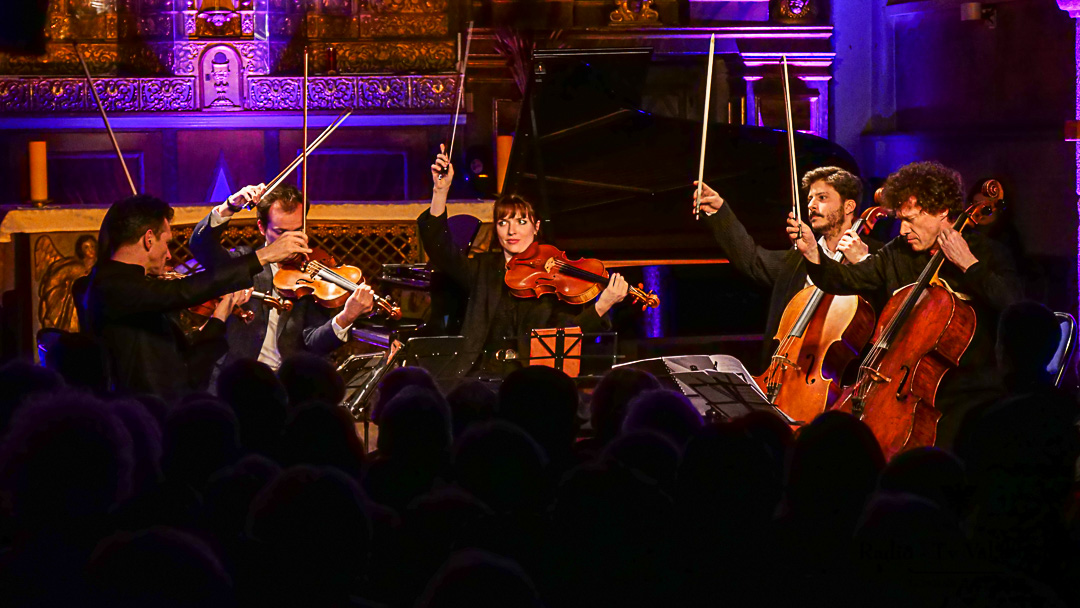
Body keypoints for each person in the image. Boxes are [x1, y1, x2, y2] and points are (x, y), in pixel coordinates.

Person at [786, 160, 1024, 447]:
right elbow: (846, 279)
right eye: (900, 219)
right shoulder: (900, 252)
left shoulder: (986, 253)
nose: (902, 230)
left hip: (967, 392)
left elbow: (1015, 306)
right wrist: (813, 254)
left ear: (942, 210)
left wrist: (969, 266)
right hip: (901, 387)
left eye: (910, 219)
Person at [417, 145, 629, 381]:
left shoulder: (554, 280)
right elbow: (441, 250)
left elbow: (568, 335)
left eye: (521, 222)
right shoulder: (482, 269)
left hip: (533, 379)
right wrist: (440, 191)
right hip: (481, 377)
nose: (512, 231)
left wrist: (602, 305)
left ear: (536, 227)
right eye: (503, 223)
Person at [82, 194, 309, 400]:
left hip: (168, 403)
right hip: (140, 412)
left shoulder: (129, 287)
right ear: (148, 239)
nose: (169, 255)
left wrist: (220, 315)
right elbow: (183, 290)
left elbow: (185, 363)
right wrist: (264, 255)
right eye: (167, 243)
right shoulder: (110, 285)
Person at [693, 166, 881, 371]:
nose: (811, 205)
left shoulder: (876, 256)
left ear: (848, 206)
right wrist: (719, 211)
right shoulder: (798, 258)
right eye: (810, 199)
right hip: (787, 368)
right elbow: (752, 261)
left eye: (822, 197)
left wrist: (863, 262)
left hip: (842, 375)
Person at [188, 183, 374, 378]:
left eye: (298, 230)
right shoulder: (242, 263)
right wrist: (229, 206)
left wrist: (346, 317)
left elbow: (314, 342)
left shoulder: (314, 274)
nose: (291, 241)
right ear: (261, 227)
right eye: (281, 232)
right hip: (236, 380)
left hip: (287, 384)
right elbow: (201, 246)